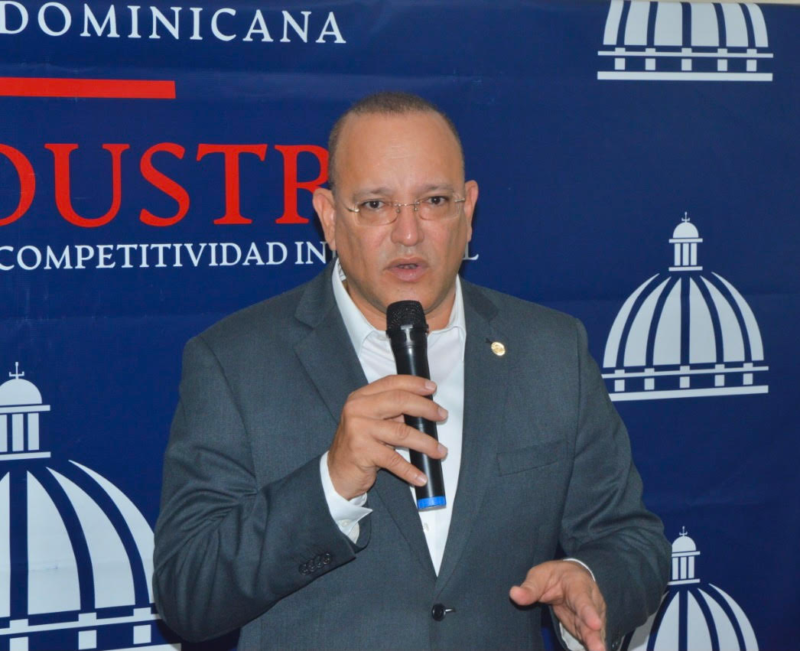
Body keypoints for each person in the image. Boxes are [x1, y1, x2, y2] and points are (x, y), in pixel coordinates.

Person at [153, 91, 670, 651]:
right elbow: (187, 595)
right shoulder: (234, 361)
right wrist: (330, 484)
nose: (408, 233)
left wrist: (593, 582)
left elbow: (630, 540)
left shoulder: (551, 349)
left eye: (434, 200)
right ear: (329, 217)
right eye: (376, 204)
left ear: (468, 212)